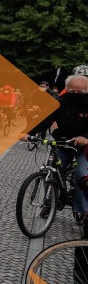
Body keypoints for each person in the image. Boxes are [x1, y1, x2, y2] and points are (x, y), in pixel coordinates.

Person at [22, 74, 88, 228]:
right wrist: (28, 133)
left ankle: (85, 212)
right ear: (67, 89)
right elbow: (44, 120)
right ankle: (50, 201)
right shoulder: (59, 103)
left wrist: (85, 138)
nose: (75, 94)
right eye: (72, 90)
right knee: (50, 169)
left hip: (85, 147)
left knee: (82, 175)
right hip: (63, 142)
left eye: (80, 92)